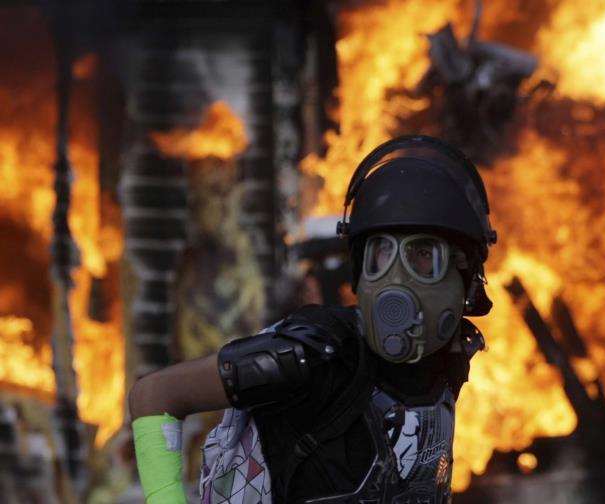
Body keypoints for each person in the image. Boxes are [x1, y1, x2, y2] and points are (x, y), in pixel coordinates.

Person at [128, 135, 498, 503]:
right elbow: (155, 395)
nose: (396, 278)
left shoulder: (447, 365)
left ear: (464, 276)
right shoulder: (313, 356)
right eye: (380, 253)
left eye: (423, 255)